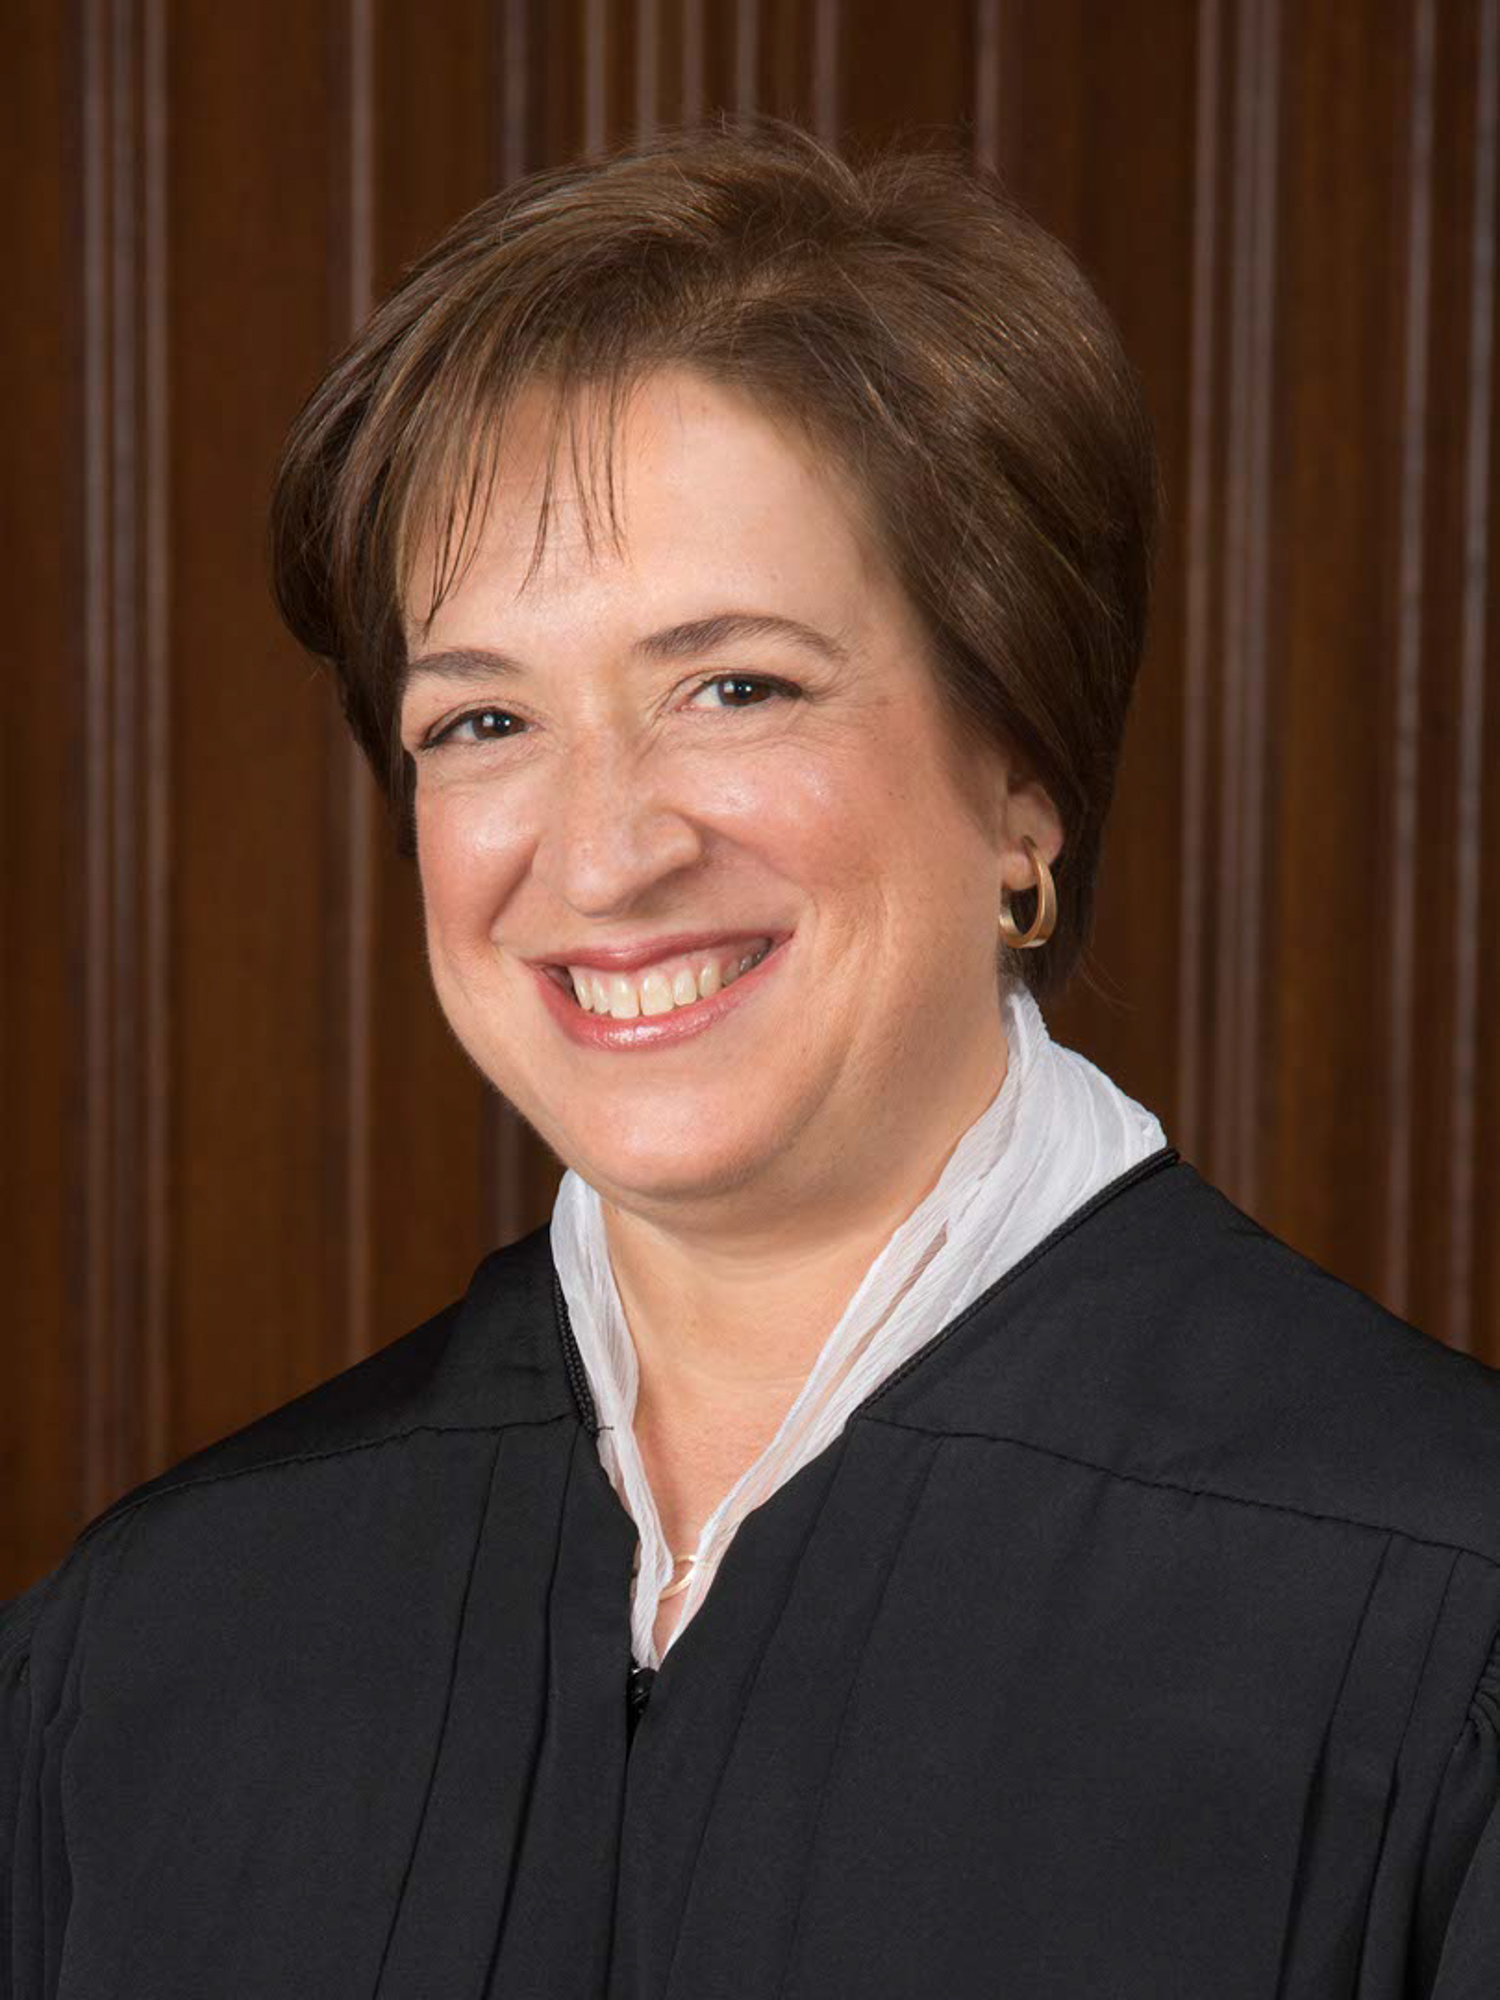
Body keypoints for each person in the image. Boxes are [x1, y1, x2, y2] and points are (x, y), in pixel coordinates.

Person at [3, 115, 1499, 2000]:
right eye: (481, 721)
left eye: (735, 685)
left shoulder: (1439, 1606)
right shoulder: (157, 1639)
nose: (603, 851)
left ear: (1022, 779)